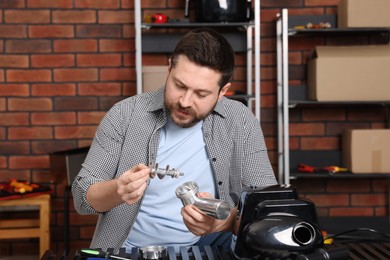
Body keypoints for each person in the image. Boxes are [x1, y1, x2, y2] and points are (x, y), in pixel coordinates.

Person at [72, 28, 277, 253]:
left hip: (209, 247)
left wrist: (226, 222)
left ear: (222, 91)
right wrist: (116, 190)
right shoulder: (124, 115)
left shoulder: (240, 120)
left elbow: (267, 208)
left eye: (201, 94)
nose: (185, 101)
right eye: (179, 85)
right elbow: (82, 197)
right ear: (169, 68)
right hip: (130, 250)